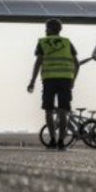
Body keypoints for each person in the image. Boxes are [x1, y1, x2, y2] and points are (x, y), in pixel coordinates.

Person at [27, 19, 80, 150]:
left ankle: (52, 140)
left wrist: (32, 81)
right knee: (63, 112)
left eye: (46, 28)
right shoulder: (67, 43)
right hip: (65, 81)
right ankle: (61, 142)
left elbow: (38, 63)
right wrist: (73, 80)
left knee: (49, 110)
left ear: (50, 29)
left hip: (49, 81)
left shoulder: (43, 42)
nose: (45, 30)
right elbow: (77, 64)